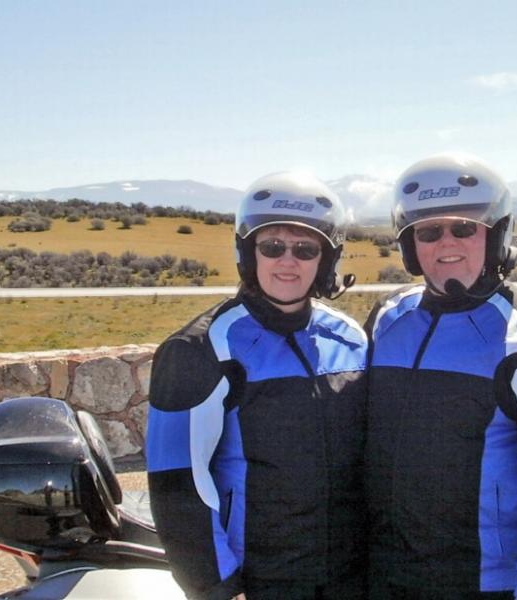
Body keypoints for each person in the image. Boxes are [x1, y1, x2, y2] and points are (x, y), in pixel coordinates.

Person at [365, 153, 517, 600]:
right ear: (409, 246)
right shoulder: (388, 319)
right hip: (385, 574)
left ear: (496, 236)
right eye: (428, 231)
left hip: (483, 582)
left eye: (465, 227)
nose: (446, 242)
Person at [146, 172, 368, 600]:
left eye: (306, 249)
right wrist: (216, 586)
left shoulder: (351, 338)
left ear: (327, 260)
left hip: (348, 574)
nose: (288, 261)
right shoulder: (201, 349)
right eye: (272, 246)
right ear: (249, 253)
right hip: (260, 579)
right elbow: (177, 484)